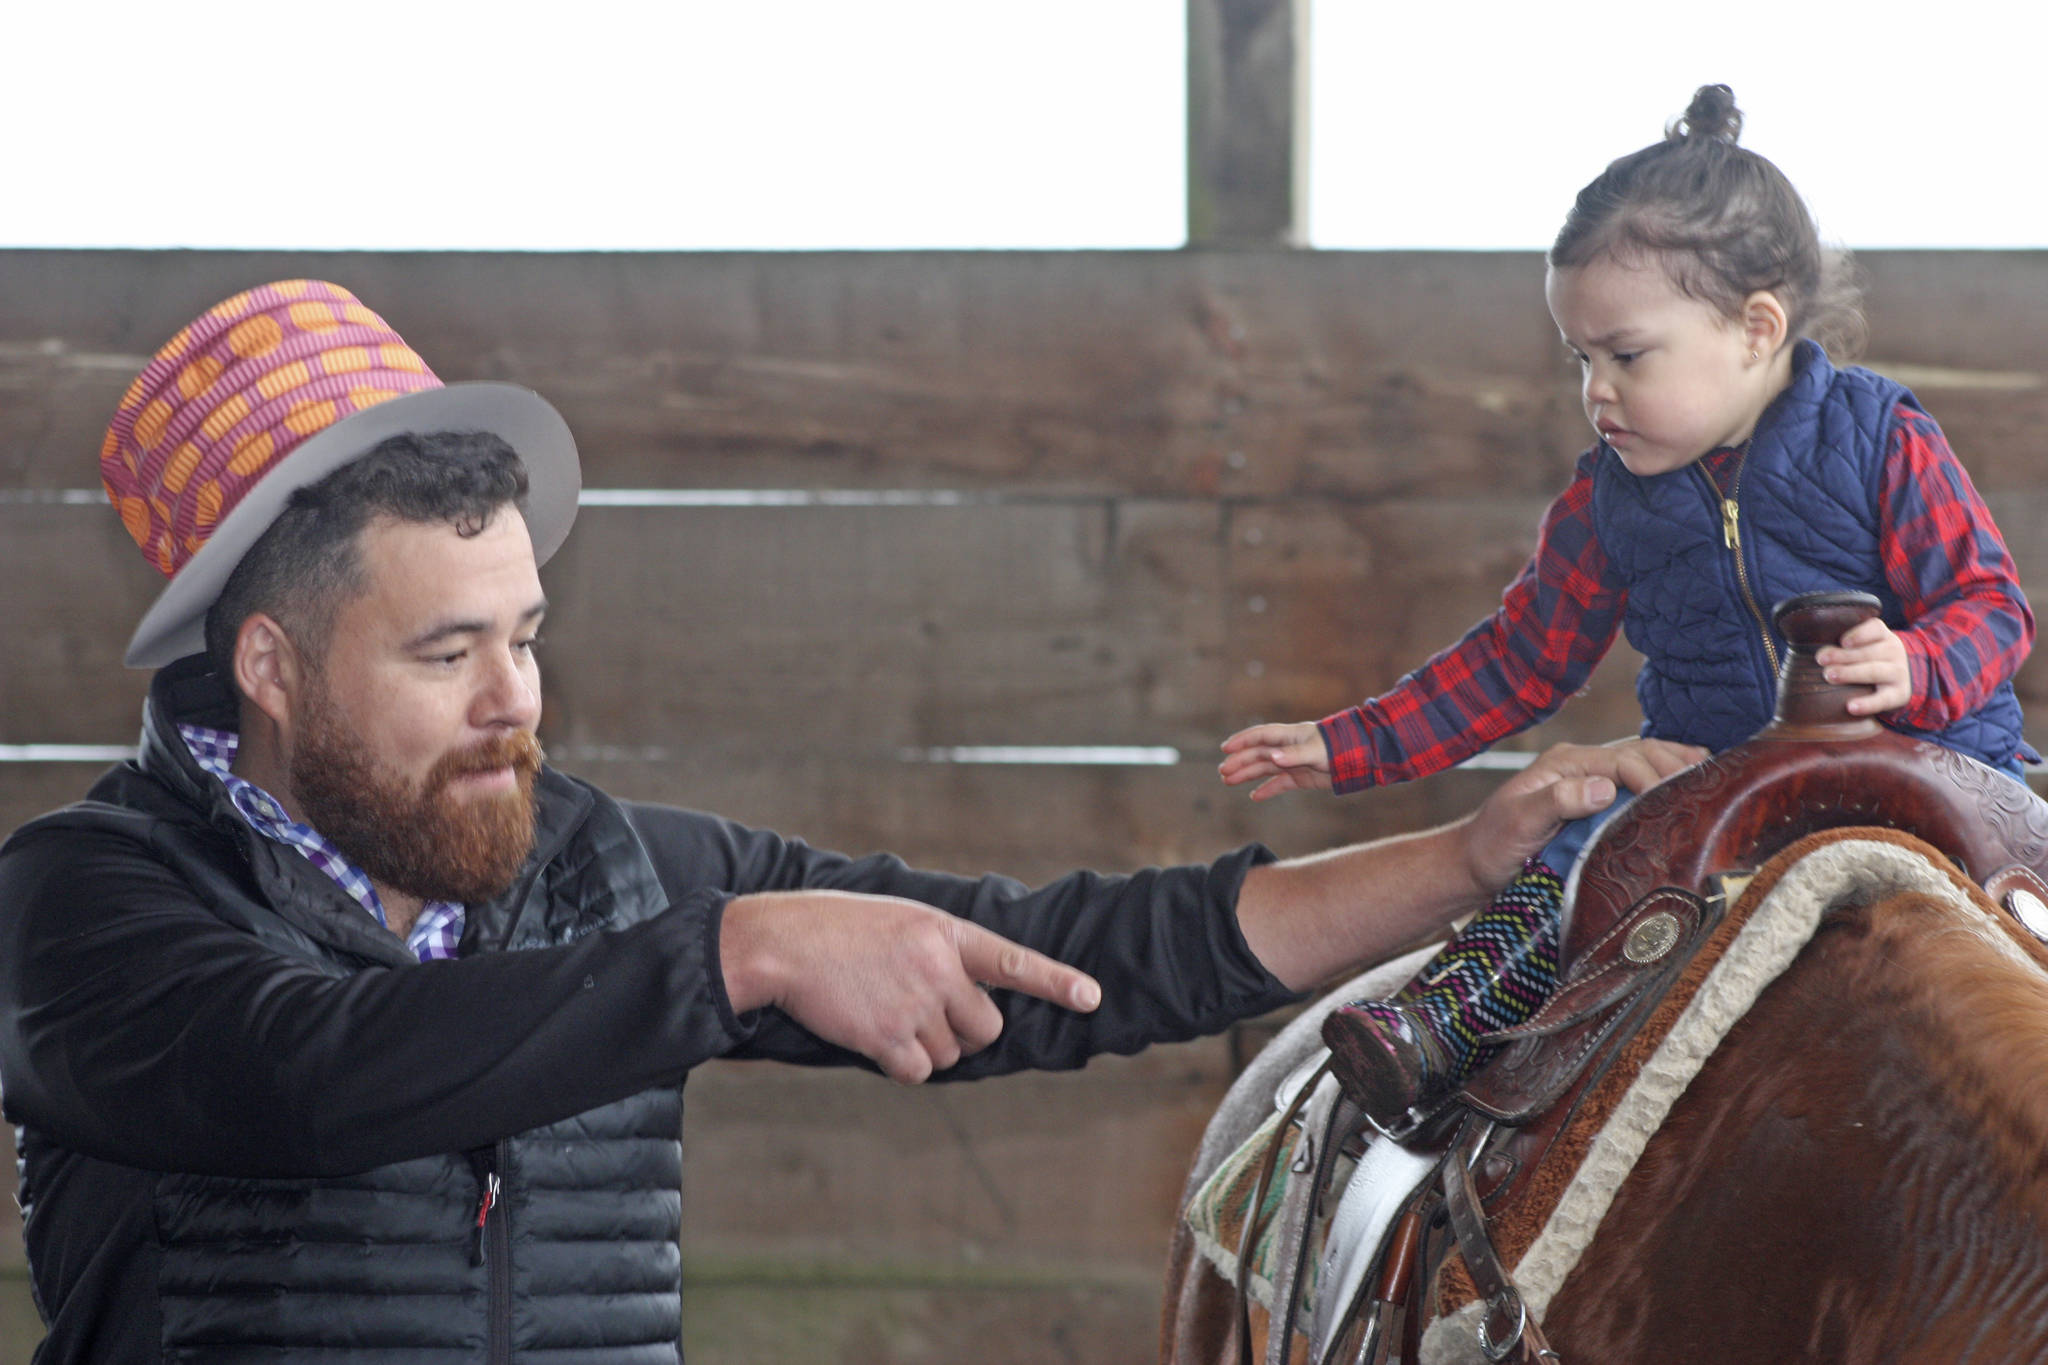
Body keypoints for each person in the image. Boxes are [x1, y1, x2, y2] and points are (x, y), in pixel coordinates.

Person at [0, 279, 1701, 1363]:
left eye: (525, 636)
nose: (519, 702)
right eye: (447, 655)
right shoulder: (84, 907)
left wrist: (1459, 862)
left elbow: (1066, 956)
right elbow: (309, 1074)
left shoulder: (613, 872)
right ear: (272, 668)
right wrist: (733, 955)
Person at [1216, 84, 2037, 1131]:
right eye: (1580, 360)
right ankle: (1445, 1021)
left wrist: (1919, 665)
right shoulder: (1607, 500)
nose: (1595, 391)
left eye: (1626, 356)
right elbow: (1518, 662)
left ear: (1754, 328)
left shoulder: (1879, 436)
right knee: (1583, 842)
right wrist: (1348, 746)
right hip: (1711, 775)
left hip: (1928, 766)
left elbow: (1989, 606)